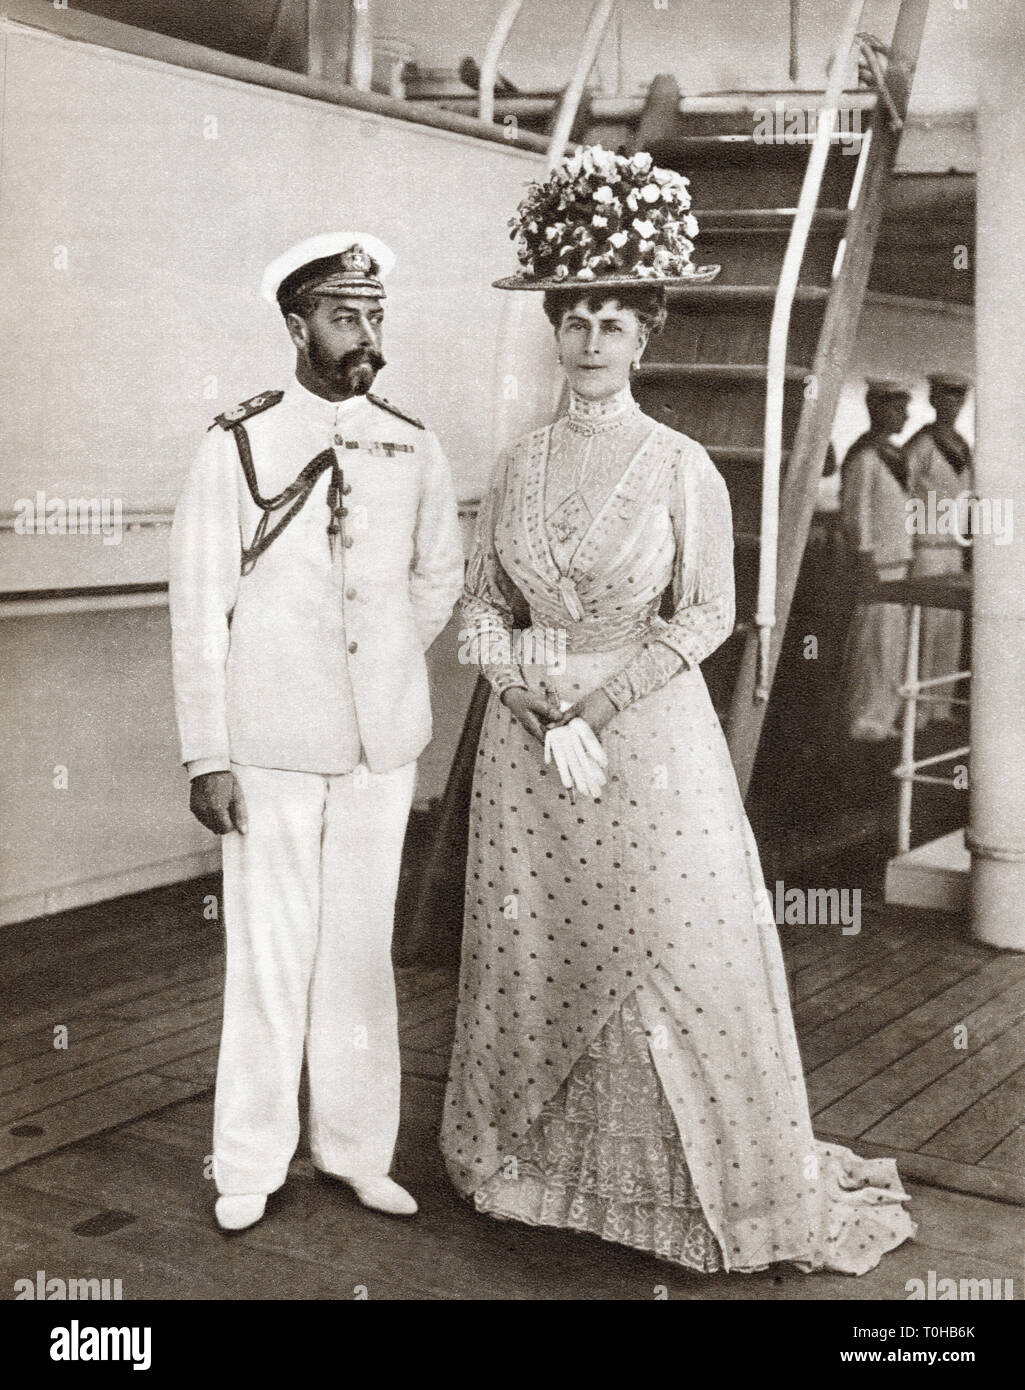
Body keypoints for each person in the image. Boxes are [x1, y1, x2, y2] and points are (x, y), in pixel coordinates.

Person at [440, 146, 915, 1275]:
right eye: (575, 320)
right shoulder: (513, 466)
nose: (591, 340)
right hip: (527, 747)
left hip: (643, 743)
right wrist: (525, 694)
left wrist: (593, 704)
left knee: (667, 947)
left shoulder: (680, 465)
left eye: (613, 321)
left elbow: (706, 616)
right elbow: (475, 607)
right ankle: (533, 1172)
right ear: (554, 330)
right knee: (535, 945)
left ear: (646, 337)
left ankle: (697, 1191)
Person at [169, 232, 464, 1231]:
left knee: (356, 954)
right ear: (297, 326)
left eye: (373, 315)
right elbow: (198, 605)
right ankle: (248, 1160)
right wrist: (208, 752)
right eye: (344, 317)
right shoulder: (238, 442)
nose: (364, 334)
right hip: (269, 744)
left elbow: (437, 573)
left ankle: (353, 1150)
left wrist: (380, 659)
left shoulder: (412, 442)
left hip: (379, 746)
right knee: (268, 955)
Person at [839, 380, 914, 741]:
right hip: (877, 564)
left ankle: (885, 714)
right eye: (897, 408)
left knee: (891, 643)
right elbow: (856, 514)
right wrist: (865, 557)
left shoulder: (893, 454)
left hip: (896, 561)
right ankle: (866, 718)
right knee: (873, 643)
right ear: (877, 409)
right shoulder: (866, 456)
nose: (904, 415)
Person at [904, 373, 973, 726]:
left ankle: (940, 706)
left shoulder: (962, 445)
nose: (952, 405)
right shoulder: (922, 444)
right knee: (924, 628)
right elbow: (903, 493)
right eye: (946, 397)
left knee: (949, 630)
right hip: (927, 547)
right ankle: (915, 709)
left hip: (953, 547)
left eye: (958, 398)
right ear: (933, 400)